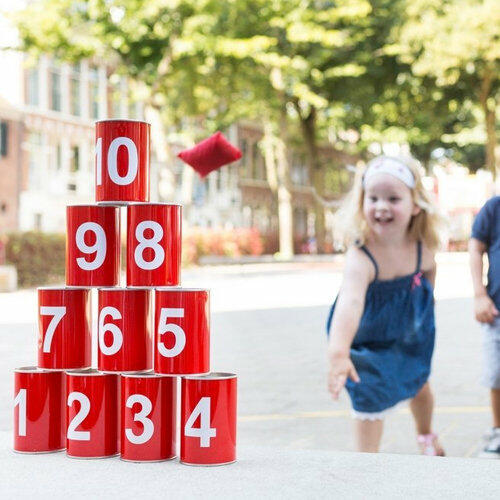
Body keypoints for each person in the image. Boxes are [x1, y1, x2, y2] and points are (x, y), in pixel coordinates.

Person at [326, 155, 445, 455]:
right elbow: (350, 303)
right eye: (373, 197)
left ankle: (426, 435)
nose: (381, 206)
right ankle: (367, 462)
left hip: (407, 332)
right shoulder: (362, 255)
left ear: (415, 204)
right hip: (367, 337)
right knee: (367, 392)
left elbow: (430, 269)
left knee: (419, 382)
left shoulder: (422, 247)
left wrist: (424, 301)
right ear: (362, 203)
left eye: (393, 198)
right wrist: (339, 353)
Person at [469, 195, 500, 458]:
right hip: (496, 311)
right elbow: (476, 248)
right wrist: (480, 294)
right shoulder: (494, 207)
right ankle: (498, 430)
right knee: (497, 375)